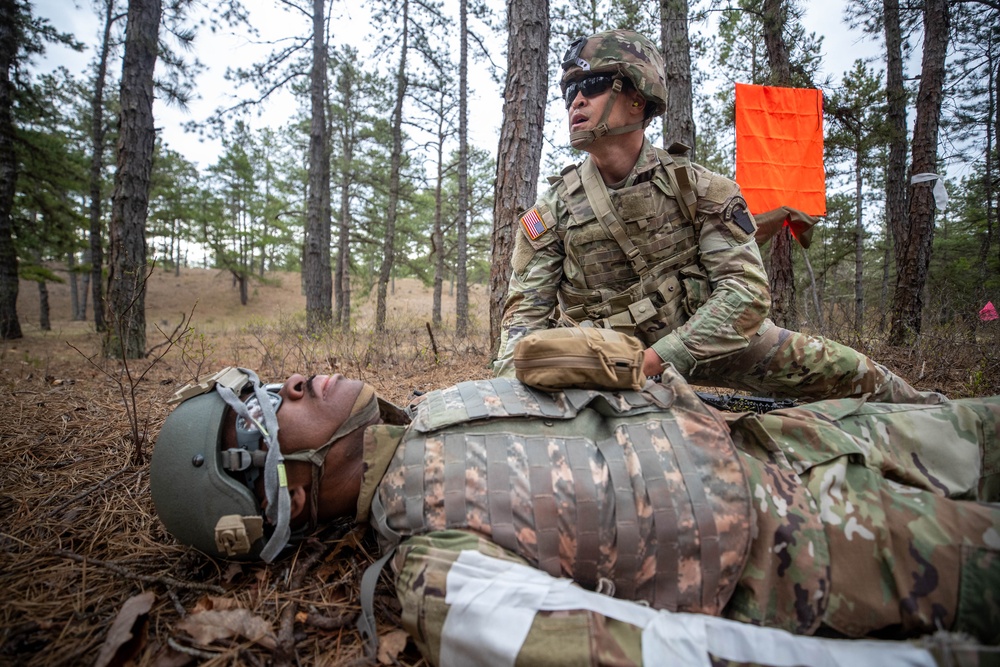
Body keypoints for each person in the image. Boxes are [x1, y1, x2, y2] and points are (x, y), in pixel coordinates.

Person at [150, 366, 1000, 666]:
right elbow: (652, 653)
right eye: (269, 412)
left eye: (272, 381)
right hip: (821, 544)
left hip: (807, 432)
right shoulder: (431, 562)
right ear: (286, 495)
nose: (293, 382)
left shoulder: (443, 404)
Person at [494, 29, 938, 405]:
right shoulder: (550, 211)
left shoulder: (703, 190)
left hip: (711, 342)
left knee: (860, 378)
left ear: (637, 98)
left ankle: (938, 417)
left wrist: (659, 359)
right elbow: (523, 321)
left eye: (591, 86)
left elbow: (744, 295)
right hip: (602, 360)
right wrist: (514, 390)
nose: (575, 102)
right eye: (569, 92)